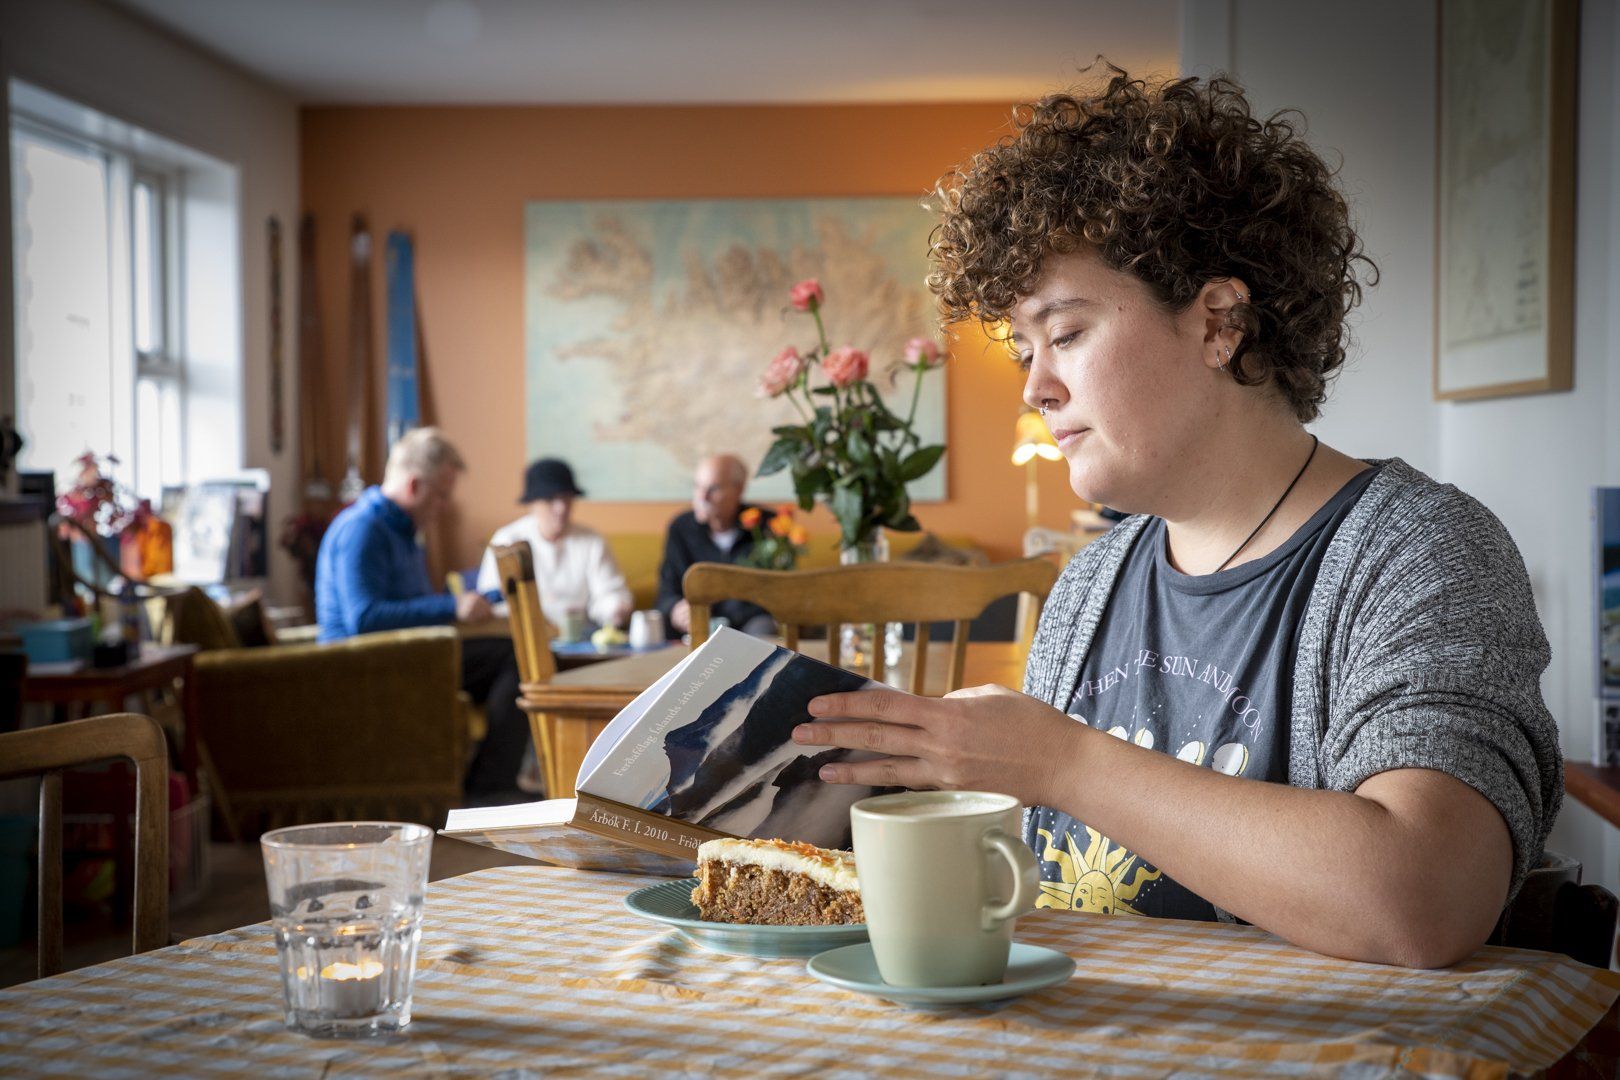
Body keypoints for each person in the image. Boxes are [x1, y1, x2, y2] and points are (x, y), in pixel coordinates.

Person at [790, 70, 1562, 968]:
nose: (1037, 387)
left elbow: (1422, 899)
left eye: (1067, 334)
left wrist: (1062, 763)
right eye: (1025, 351)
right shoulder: (1091, 582)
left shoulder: (1420, 551)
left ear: (1218, 323)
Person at [315, 427, 529, 802]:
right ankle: (490, 786)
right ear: (414, 485)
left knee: (513, 651)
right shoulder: (363, 529)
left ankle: (491, 780)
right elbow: (364, 618)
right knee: (512, 657)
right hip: (363, 664)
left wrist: (473, 600)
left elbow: (408, 606)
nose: (444, 507)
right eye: (442, 496)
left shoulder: (402, 531)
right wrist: (451, 606)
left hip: (404, 653)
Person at [474, 458, 633, 634]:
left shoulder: (591, 541)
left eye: (566, 498)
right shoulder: (507, 540)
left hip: (579, 639)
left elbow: (609, 592)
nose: (561, 508)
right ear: (532, 503)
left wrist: (615, 608)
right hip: (523, 638)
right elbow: (492, 600)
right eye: (550, 500)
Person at [657, 453, 775, 639]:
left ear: (739, 489)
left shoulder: (767, 525)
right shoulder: (681, 527)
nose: (702, 497)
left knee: (764, 629)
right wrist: (675, 608)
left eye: (713, 489)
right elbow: (666, 591)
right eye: (697, 487)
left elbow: (777, 591)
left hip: (749, 624)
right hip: (695, 623)